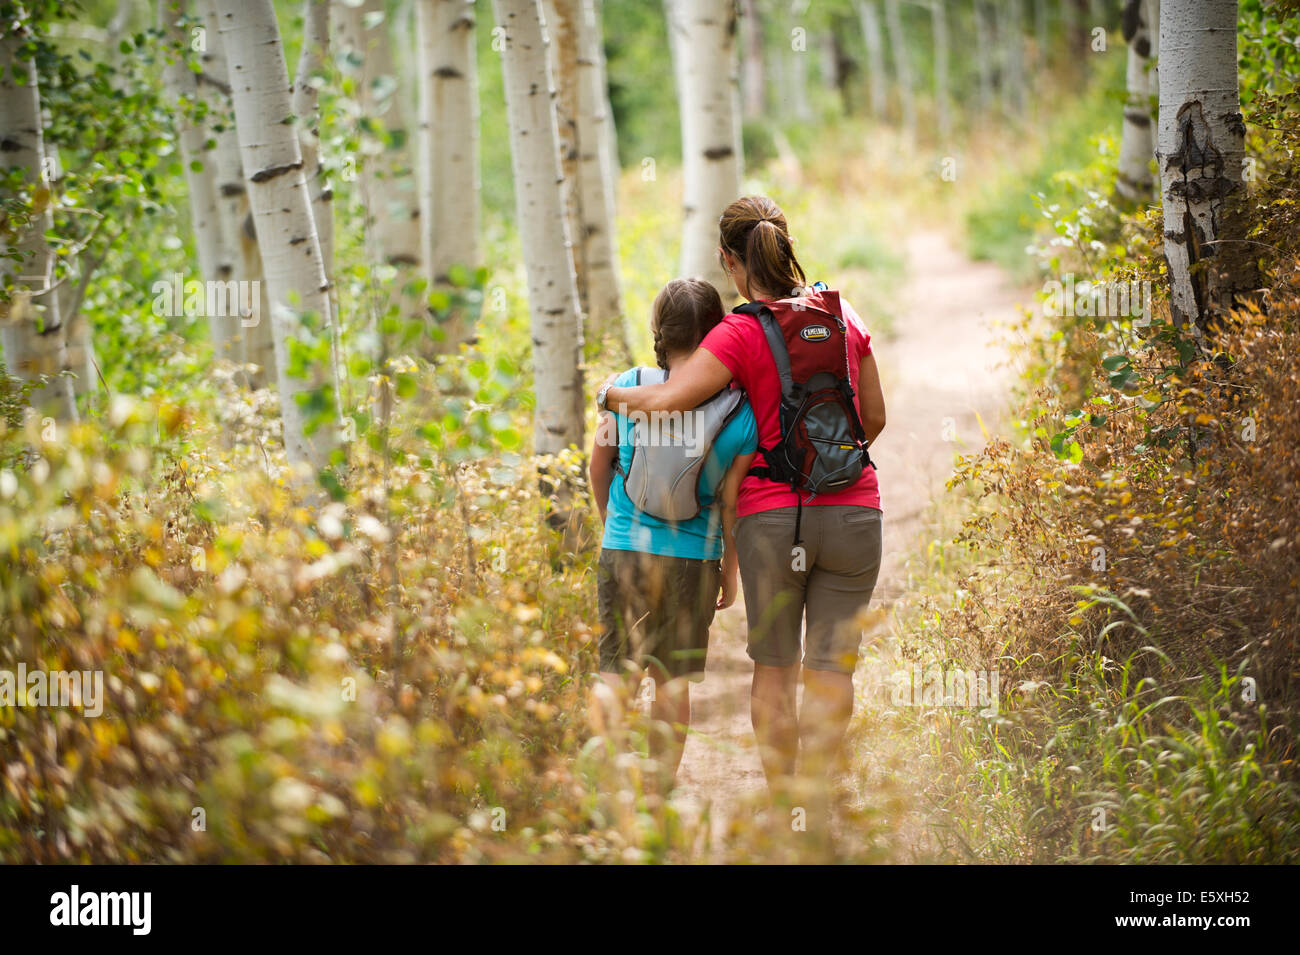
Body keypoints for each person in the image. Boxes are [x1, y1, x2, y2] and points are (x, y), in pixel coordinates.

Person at [597, 196, 886, 792]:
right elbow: (874, 418)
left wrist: (610, 396)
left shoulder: (739, 331)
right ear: (785, 243)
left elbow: (672, 399)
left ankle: (785, 804)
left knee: (775, 670)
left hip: (776, 522)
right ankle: (817, 808)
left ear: (731, 261)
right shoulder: (843, 312)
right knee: (832, 667)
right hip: (857, 508)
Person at [588, 278, 758, 784]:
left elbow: (598, 467)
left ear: (660, 330)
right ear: (716, 334)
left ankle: (608, 785)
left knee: (613, 670)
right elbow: (730, 503)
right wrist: (731, 572)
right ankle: (659, 788)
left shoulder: (624, 384)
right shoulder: (738, 410)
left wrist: (612, 530)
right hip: (692, 559)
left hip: (623, 548)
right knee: (670, 682)